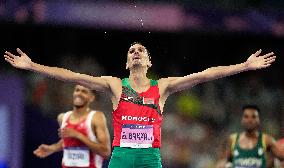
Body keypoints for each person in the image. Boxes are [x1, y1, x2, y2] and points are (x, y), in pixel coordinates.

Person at [4, 42, 276, 167]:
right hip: (122, 157)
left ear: (149, 63)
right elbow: (73, 76)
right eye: (131, 51)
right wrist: (33, 66)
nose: (136, 52)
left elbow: (205, 75)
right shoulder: (114, 85)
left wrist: (244, 65)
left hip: (149, 158)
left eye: (141, 50)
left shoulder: (164, 87)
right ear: (127, 63)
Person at [33, 85, 111, 168]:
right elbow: (68, 141)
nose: (79, 93)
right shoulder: (62, 117)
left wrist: (78, 135)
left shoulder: (96, 117)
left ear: (91, 98)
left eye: (84, 92)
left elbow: (105, 152)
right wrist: (52, 148)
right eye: (77, 90)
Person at [216, 105, 284, 168]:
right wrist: (222, 165)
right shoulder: (232, 140)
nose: (250, 120)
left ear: (258, 120)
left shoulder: (267, 140)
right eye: (246, 116)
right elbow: (222, 161)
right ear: (242, 120)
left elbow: (281, 157)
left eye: (253, 117)